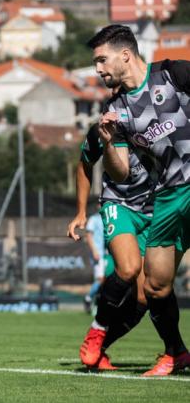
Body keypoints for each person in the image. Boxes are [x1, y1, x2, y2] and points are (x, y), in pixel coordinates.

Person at [91, 24, 190, 376]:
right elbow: (117, 174)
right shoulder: (115, 109)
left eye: (102, 60)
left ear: (125, 55)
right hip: (167, 196)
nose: (98, 69)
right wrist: (106, 141)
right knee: (154, 285)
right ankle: (176, 353)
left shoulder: (173, 74)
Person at [68, 122, 155, 370]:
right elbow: (85, 164)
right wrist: (81, 212)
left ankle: (100, 348)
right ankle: (96, 329)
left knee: (143, 297)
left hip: (154, 211)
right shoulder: (101, 129)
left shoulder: (158, 117)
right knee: (128, 269)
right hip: (119, 204)